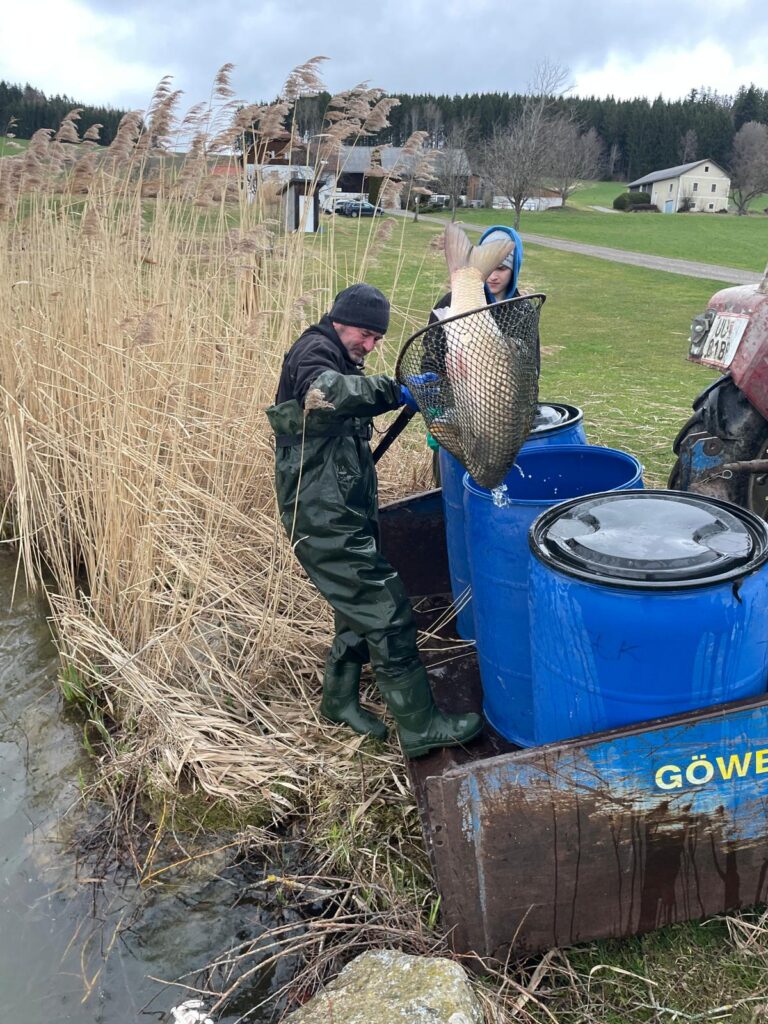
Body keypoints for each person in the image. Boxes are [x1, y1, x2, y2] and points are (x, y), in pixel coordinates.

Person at [265, 283, 482, 758]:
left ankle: (338, 699)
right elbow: (326, 393)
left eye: (377, 339)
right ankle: (420, 726)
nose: (370, 345)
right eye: (365, 334)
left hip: (344, 505)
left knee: (356, 607)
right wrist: (394, 389)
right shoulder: (314, 352)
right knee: (386, 610)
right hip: (320, 515)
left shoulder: (338, 353)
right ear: (339, 320)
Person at [426, 224, 540, 472]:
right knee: (449, 481)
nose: (494, 276)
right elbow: (430, 359)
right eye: (492, 267)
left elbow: (531, 372)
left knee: (491, 467)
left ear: (515, 270)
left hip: (496, 419)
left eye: (502, 268)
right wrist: (437, 409)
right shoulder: (450, 302)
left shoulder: (522, 311)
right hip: (454, 412)